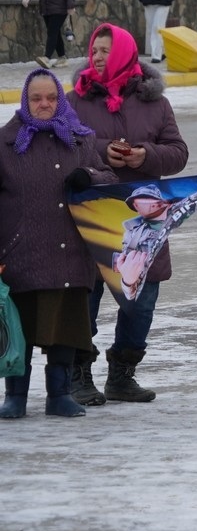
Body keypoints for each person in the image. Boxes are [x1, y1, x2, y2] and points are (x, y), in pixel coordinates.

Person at [67, 22, 189, 406]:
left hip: (144, 221)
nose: (98, 57)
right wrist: (102, 150)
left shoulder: (156, 103)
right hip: (91, 216)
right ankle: (78, 373)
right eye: (94, 50)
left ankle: (122, 374)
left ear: (123, 53)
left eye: (105, 51)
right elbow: (63, 145)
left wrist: (145, 156)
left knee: (142, 300)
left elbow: (178, 153)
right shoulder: (75, 100)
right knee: (86, 297)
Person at [0, 69, 116, 419]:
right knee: (19, 330)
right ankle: (15, 396)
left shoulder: (80, 140)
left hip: (69, 253)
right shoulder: (6, 143)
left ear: (60, 99)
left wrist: (90, 176)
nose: (44, 104)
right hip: (19, 254)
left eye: (51, 97)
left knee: (65, 328)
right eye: (36, 98)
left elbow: (108, 179)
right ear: (25, 101)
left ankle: (60, 394)